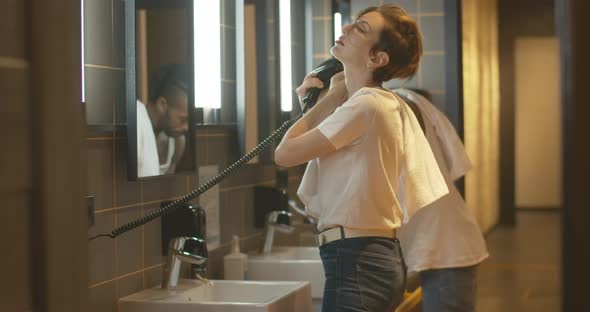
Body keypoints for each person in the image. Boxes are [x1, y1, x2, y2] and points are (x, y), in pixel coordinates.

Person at [275, 5, 449, 311]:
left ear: (378, 59)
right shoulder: (377, 103)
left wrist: (328, 98)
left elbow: (284, 154)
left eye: (361, 28)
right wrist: (333, 98)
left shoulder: (365, 106)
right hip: (368, 257)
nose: (345, 29)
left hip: (357, 260)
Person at [394, 88, 489, 312]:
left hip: (445, 247)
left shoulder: (392, 106)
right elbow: (457, 165)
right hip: (440, 243)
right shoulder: (410, 100)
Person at [137, 64, 189, 177]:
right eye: (182, 119)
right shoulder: (136, 120)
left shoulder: (178, 142)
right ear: (162, 105)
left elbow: (164, 188)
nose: (186, 127)